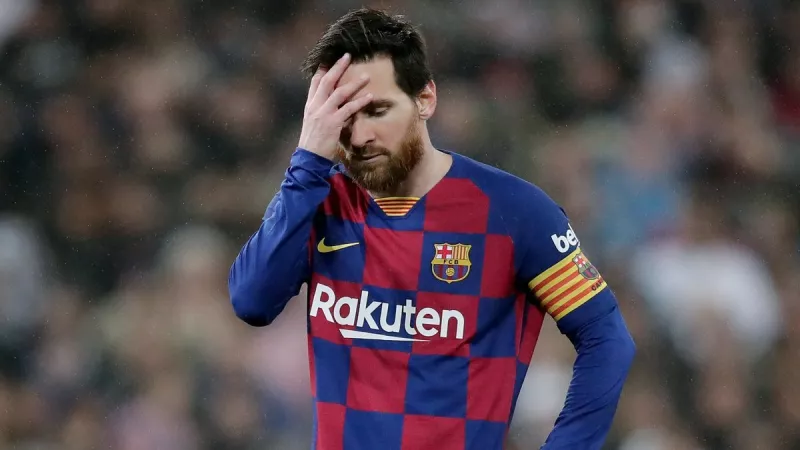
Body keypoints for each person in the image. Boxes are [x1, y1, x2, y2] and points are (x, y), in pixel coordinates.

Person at [229, 8, 635, 450]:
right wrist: (306, 161)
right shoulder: (318, 200)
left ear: (425, 99)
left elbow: (606, 336)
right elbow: (252, 301)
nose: (359, 136)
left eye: (377, 110)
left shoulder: (513, 211)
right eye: (344, 116)